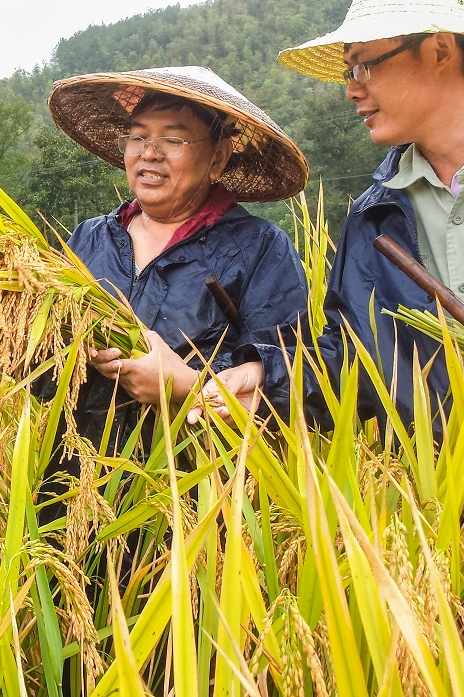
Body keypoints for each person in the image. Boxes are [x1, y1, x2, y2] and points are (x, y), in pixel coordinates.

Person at [191, 0, 464, 429]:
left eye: (363, 66)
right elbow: (352, 358)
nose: (352, 90)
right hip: (430, 474)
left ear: (439, 51)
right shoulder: (373, 215)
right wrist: (270, 380)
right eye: (349, 73)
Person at [46, 67, 309, 448]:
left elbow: (286, 379)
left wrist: (186, 383)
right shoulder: (90, 238)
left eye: (172, 139)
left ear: (218, 158)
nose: (149, 153)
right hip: (71, 464)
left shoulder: (259, 248)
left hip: (194, 472)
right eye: (137, 137)